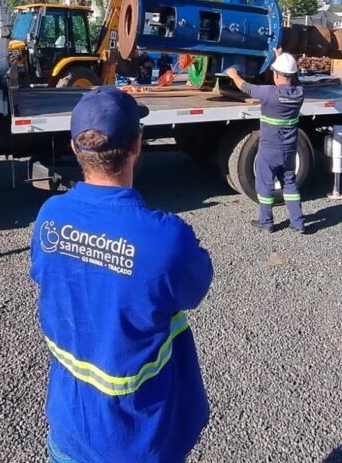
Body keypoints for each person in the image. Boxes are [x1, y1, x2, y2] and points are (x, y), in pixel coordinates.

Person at [30, 86, 213, 463]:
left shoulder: (50, 216)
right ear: (137, 145)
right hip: (139, 438)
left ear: (74, 147)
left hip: (69, 428)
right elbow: (194, 288)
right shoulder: (165, 238)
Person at [224, 52, 306, 234]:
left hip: (269, 150)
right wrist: (281, 57)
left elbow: (244, 86)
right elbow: (296, 80)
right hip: (289, 150)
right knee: (290, 184)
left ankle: (267, 221)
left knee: (265, 184)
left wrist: (233, 74)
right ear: (292, 74)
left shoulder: (269, 93)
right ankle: (298, 222)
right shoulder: (299, 93)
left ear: (276, 74)